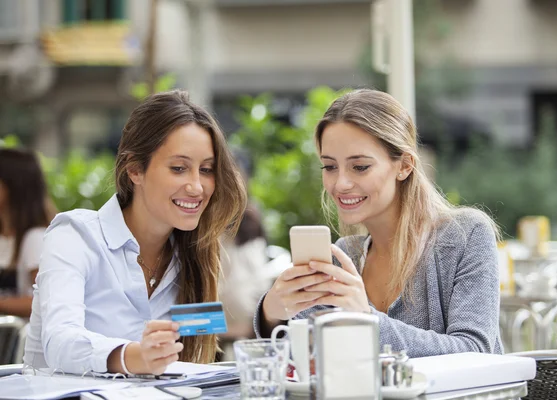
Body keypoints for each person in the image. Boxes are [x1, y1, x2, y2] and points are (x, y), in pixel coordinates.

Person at [255, 89, 503, 357]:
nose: (341, 184)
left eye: (360, 167)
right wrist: (272, 314)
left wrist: (366, 320)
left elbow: (475, 351)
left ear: (404, 166)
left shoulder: (465, 235)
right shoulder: (343, 256)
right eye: (329, 167)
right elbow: (305, 359)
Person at [23, 90, 247, 374]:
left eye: (206, 170)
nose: (197, 186)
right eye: (179, 168)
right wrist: (132, 356)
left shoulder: (194, 254)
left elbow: (208, 340)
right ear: (135, 170)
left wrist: (271, 308)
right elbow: (60, 342)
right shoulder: (75, 236)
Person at [218, 149, 269, 357]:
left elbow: (256, 283)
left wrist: (253, 326)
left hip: (251, 338)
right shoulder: (198, 227)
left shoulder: (252, 221)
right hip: (212, 340)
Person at [0, 148, 55, 318]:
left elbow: (47, 300)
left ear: (12, 185)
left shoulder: (36, 238)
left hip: (17, 341)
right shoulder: (6, 237)